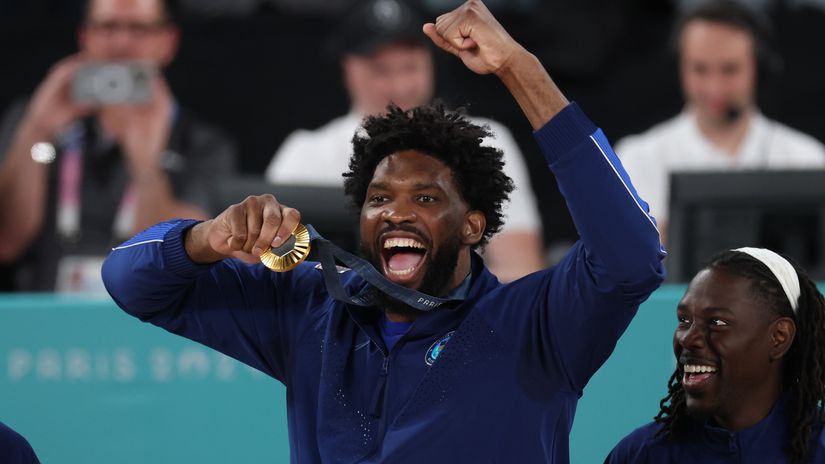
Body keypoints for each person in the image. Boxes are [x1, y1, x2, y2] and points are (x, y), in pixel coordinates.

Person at [102, 1, 665, 462]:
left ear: (473, 225)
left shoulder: (534, 326)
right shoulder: (311, 316)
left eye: (425, 198)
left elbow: (633, 257)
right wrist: (205, 240)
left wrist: (519, 69)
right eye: (378, 199)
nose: (396, 214)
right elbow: (130, 282)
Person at [265, 0, 543, 282]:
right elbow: (275, 270)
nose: (400, 86)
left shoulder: (484, 142)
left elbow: (519, 271)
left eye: (410, 67)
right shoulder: (306, 153)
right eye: (382, 71)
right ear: (349, 68)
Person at [0, 0, 236, 291]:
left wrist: (146, 165)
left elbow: (185, 258)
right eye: (107, 26)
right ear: (84, 36)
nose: (121, 43)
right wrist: (37, 134)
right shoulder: (38, 122)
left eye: (139, 28)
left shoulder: (201, 143)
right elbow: (6, 241)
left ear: (168, 42)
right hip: (41, 323)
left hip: (148, 324)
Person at [616, 0, 825, 242]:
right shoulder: (637, 160)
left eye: (729, 70)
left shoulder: (808, 160)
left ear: (759, 67)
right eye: (700, 69)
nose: (714, 88)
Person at [606, 247, 825, 463]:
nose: (687, 339)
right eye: (685, 320)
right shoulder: (640, 455)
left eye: (717, 322)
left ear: (779, 337)